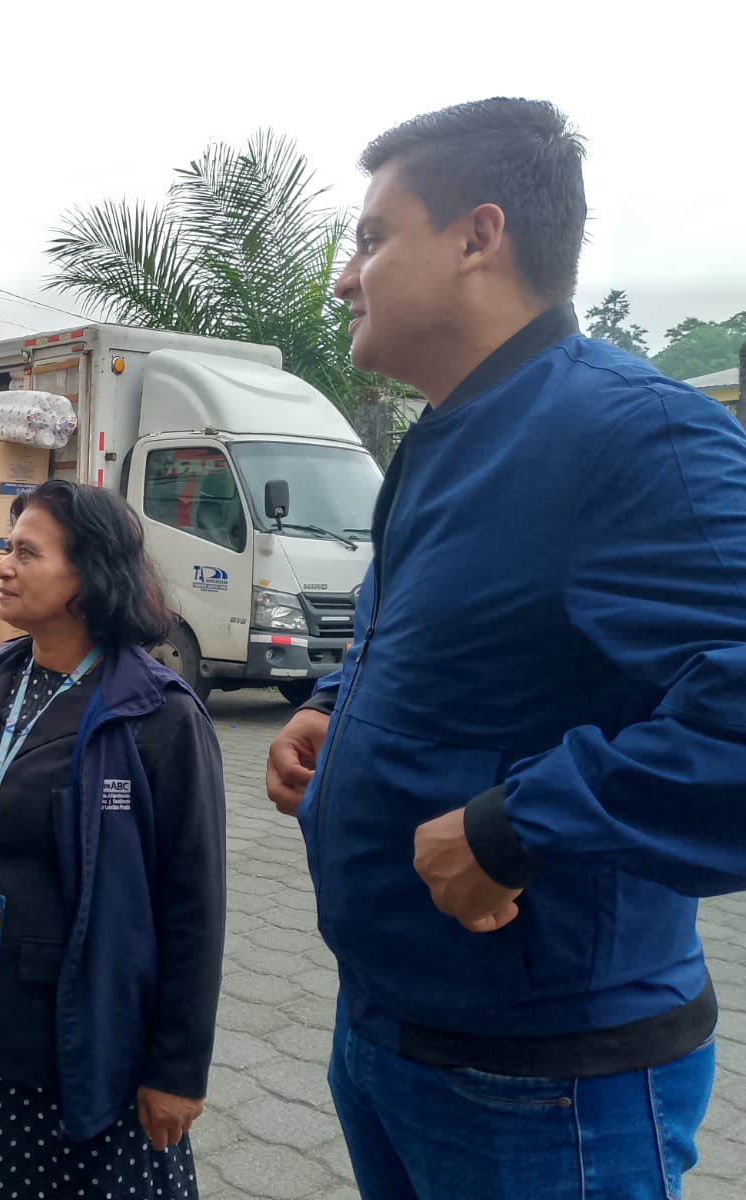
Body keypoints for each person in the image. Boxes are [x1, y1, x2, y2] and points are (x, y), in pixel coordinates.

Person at [265, 98, 745, 1199]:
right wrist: (334, 706)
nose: (344, 280)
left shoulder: (633, 435)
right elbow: (463, 637)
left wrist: (516, 824)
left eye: (372, 237)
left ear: (479, 236)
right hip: (391, 1036)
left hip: (546, 1090)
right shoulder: (449, 436)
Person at [0, 479, 226, 1199]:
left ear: (89, 573)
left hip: (82, 1047)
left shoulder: (157, 716)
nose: (3, 566)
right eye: (6, 548)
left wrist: (177, 1070)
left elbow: (194, 905)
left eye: (27, 553)